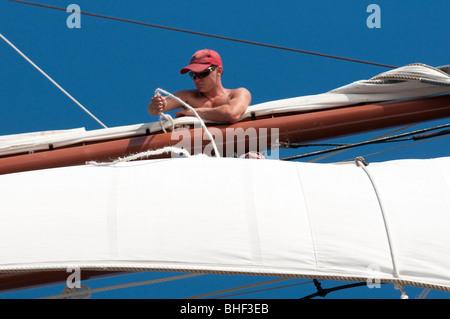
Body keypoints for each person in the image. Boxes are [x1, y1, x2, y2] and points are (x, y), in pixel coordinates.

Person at [148, 49, 251, 123]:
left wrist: (193, 111)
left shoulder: (239, 93)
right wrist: (156, 105)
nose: (197, 79)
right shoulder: (187, 96)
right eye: (193, 75)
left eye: (203, 73)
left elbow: (231, 114)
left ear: (219, 71)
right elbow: (157, 107)